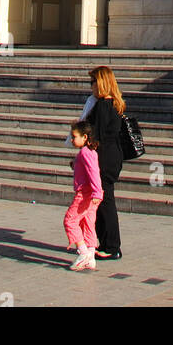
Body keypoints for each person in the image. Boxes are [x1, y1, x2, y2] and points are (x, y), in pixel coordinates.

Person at [85, 66, 125, 260]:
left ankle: (111, 246)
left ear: (100, 83)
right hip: (113, 156)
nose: (90, 86)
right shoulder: (115, 103)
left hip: (103, 158)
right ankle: (107, 243)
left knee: (104, 201)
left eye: (92, 82)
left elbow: (96, 136)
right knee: (104, 199)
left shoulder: (102, 105)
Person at [64, 120, 103, 272]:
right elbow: (88, 169)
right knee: (88, 223)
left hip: (86, 194)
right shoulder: (87, 152)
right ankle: (91, 256)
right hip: (91, 194)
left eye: (74, 137)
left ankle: (83, 253)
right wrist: (75, 164)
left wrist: (97, 192)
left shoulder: (85, 153)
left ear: (85, 137)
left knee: (70, 220)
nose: (72, 140)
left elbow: (94, 173)